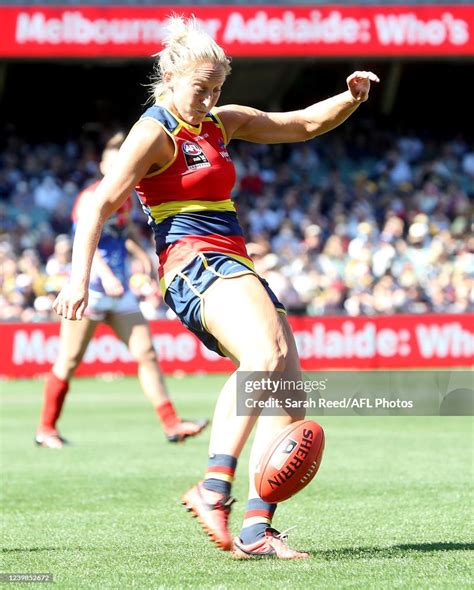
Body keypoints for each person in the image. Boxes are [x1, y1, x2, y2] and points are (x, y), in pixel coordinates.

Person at [52, 16, 379, 558]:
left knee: (287, 393)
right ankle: (212, 487)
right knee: (264, 353)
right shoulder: (155, 130)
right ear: (171, 75)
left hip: (232, 260)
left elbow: (299, 124)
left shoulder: (220, 125)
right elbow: (97, 206)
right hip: (193, 262)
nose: (208, 99)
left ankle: (255, 528)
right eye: (200, 88)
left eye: (217, 89)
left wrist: (350, 98)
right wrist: (77, 278)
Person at [36, 132, 208, 448]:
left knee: (146, 353)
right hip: (91, 289)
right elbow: (84, 238)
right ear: (102, 164)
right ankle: (46, 428)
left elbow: (119, 232)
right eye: (112, 159)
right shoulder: (91, 197)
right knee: (69, 360)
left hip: (120, 292)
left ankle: (172, 424)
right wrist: (102, 275)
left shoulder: (127, 198)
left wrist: (140, 254)